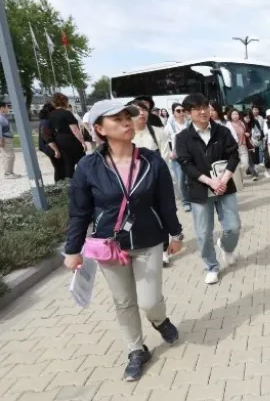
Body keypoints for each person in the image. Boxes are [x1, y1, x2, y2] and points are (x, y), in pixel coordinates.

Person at [63, 99, 184, 382]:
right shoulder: (88, 167)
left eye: (127, 117)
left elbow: (166, 203)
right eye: (116, 119)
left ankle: (159, 320)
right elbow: (79, 212)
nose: (127, 122)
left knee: (149, 300)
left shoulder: (152, 160)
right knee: (124, 301)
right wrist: (72, 250)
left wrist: (175, 234)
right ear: (99, 129)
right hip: (110, 246)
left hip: (148, 239)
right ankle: (136, 350)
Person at [175, 93, 241, 285]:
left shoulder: (222, 131)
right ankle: (211, 266)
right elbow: (186, 165)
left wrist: (224, 179)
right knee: (204, 233)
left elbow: (234, 156)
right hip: (199, 189)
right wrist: (211, 182)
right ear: (188, 113)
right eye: (197, 108)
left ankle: (226, 247)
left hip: (225, 186)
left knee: (233, 227)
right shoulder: (183, 137)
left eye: (205, 106)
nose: (203, 111)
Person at [131, 100, 174, 267]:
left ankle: (163, 251)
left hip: (155, 183)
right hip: (132, 185)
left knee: (161, 216)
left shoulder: (157, 132)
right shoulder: (126, 134)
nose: (142, 113)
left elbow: (165, 157)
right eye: (137, 110)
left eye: (144, 110)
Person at [48, 93, 87, 179]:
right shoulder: (67, 113)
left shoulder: (51, 114)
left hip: (59, 139)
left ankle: (69, 182)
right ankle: (85, 180)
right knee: (82, 161)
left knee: (68, 163)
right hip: (70, 139)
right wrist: (83, 142)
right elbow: (75, 129)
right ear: (65, 101)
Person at [165, 103, 191, 212]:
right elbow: (165, 142)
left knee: (192, 178)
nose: (181, 113)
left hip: (190, 155)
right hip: (177, 157)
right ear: (173, 113)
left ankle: (194, 199)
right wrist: (170, 153)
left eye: (182, 110)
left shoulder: (190, 124)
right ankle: (185, 201)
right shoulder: (169, 126)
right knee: (181, 181)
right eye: (178, 111)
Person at [38, 103, 65, 182]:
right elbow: (47, 138)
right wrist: (56, 150)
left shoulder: (45, 121)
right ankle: (59, 184)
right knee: (59, 167)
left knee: (60, 167)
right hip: (50, 147)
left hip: (49, 146)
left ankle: (61, 182)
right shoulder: (46, 122)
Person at [0, 101, 20, 179]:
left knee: (6, 156)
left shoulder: (2, 116)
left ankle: (8, 172)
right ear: (2, 108)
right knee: (9, 156)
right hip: (4, 138)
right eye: (7, 107)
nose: (8, 108)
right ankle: (8, 174)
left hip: (5, 138)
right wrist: (0, 140)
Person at [228, 108, 249, 188]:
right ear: (230, 115)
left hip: (243, 146)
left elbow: (247, 130)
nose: (235, 116)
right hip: (234, 148)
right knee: (236, 165)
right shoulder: (228, 124)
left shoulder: (241, 123)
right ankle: (239, 180)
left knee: (245, 164)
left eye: (236, 114)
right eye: (233, 114)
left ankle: (240, 177)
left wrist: (247, 133)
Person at [244, 109, 263, 180]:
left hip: (253, 142)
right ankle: (254, 173)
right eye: (246, 117)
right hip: (244, 143)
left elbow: (259, 131)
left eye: (249, 117)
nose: (247, 119)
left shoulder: (255, 122)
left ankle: (249, 170)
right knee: (249, 158)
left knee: (252, 158)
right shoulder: (241, 123)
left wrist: (254, 135)